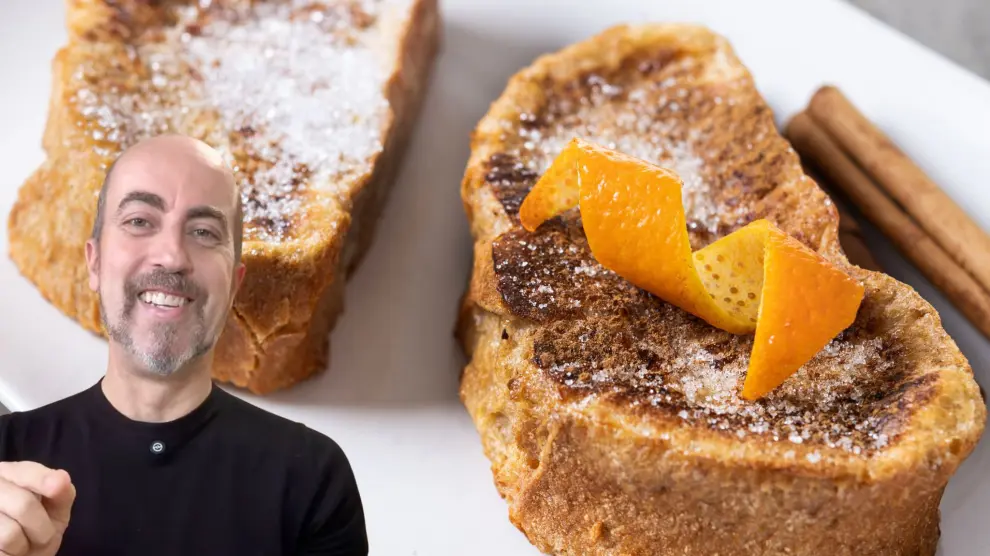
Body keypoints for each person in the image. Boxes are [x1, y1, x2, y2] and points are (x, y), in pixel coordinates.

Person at [0, 135, 369, 555]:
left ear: (234, 284)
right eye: (140, 221)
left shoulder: (311, 478)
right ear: (94, 262)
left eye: (204, 232)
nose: (172, 256)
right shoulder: (7, 457)